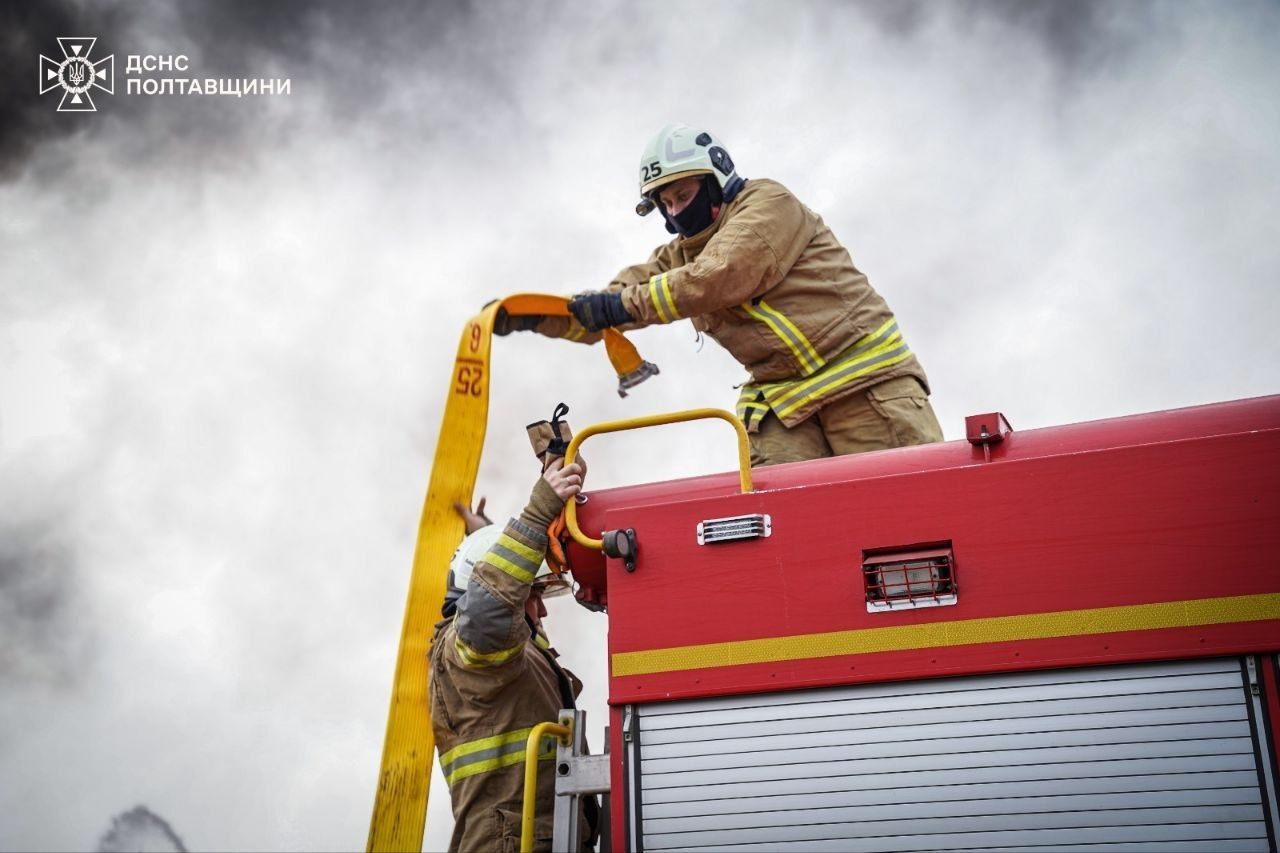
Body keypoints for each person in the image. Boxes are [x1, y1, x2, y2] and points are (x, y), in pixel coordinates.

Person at [502, 123, 944, 467]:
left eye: (684, 194)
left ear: (716, 180)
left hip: (865, 386)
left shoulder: (768, 204)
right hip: (784, 403)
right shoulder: (679, 253)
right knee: (786, 532)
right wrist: (536, 316)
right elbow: (617, 300)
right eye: (665, 203)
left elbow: (715, 277)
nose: (676, 210)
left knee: (906, 519)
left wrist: (620, 305)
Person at [429, 456, 594, 852]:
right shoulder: (469, 648)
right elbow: (490, 604)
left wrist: (483, 536)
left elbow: (494, 590)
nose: (543, 609)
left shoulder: (493, 652)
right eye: (534, 595)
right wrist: (538, 512)